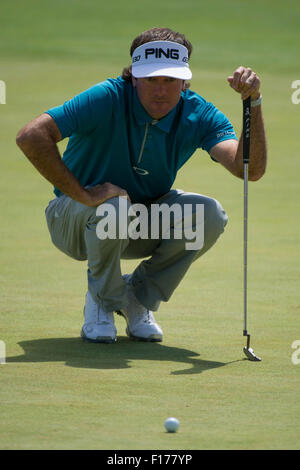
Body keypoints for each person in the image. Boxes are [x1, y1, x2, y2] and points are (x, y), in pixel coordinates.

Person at [16, 27, 267, 344]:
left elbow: (249, 169)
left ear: (185, 80)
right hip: (73, 221)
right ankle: (101, 301)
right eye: (151, 79)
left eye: (170, 80)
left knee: (209, 215)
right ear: (133, 76)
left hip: (136, 223)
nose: (161, 90)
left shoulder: (198, 112)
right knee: (113, 206)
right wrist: (83, 193)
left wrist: (253, 103)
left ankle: (137, 300)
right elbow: (31, 135)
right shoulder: (106, 97)